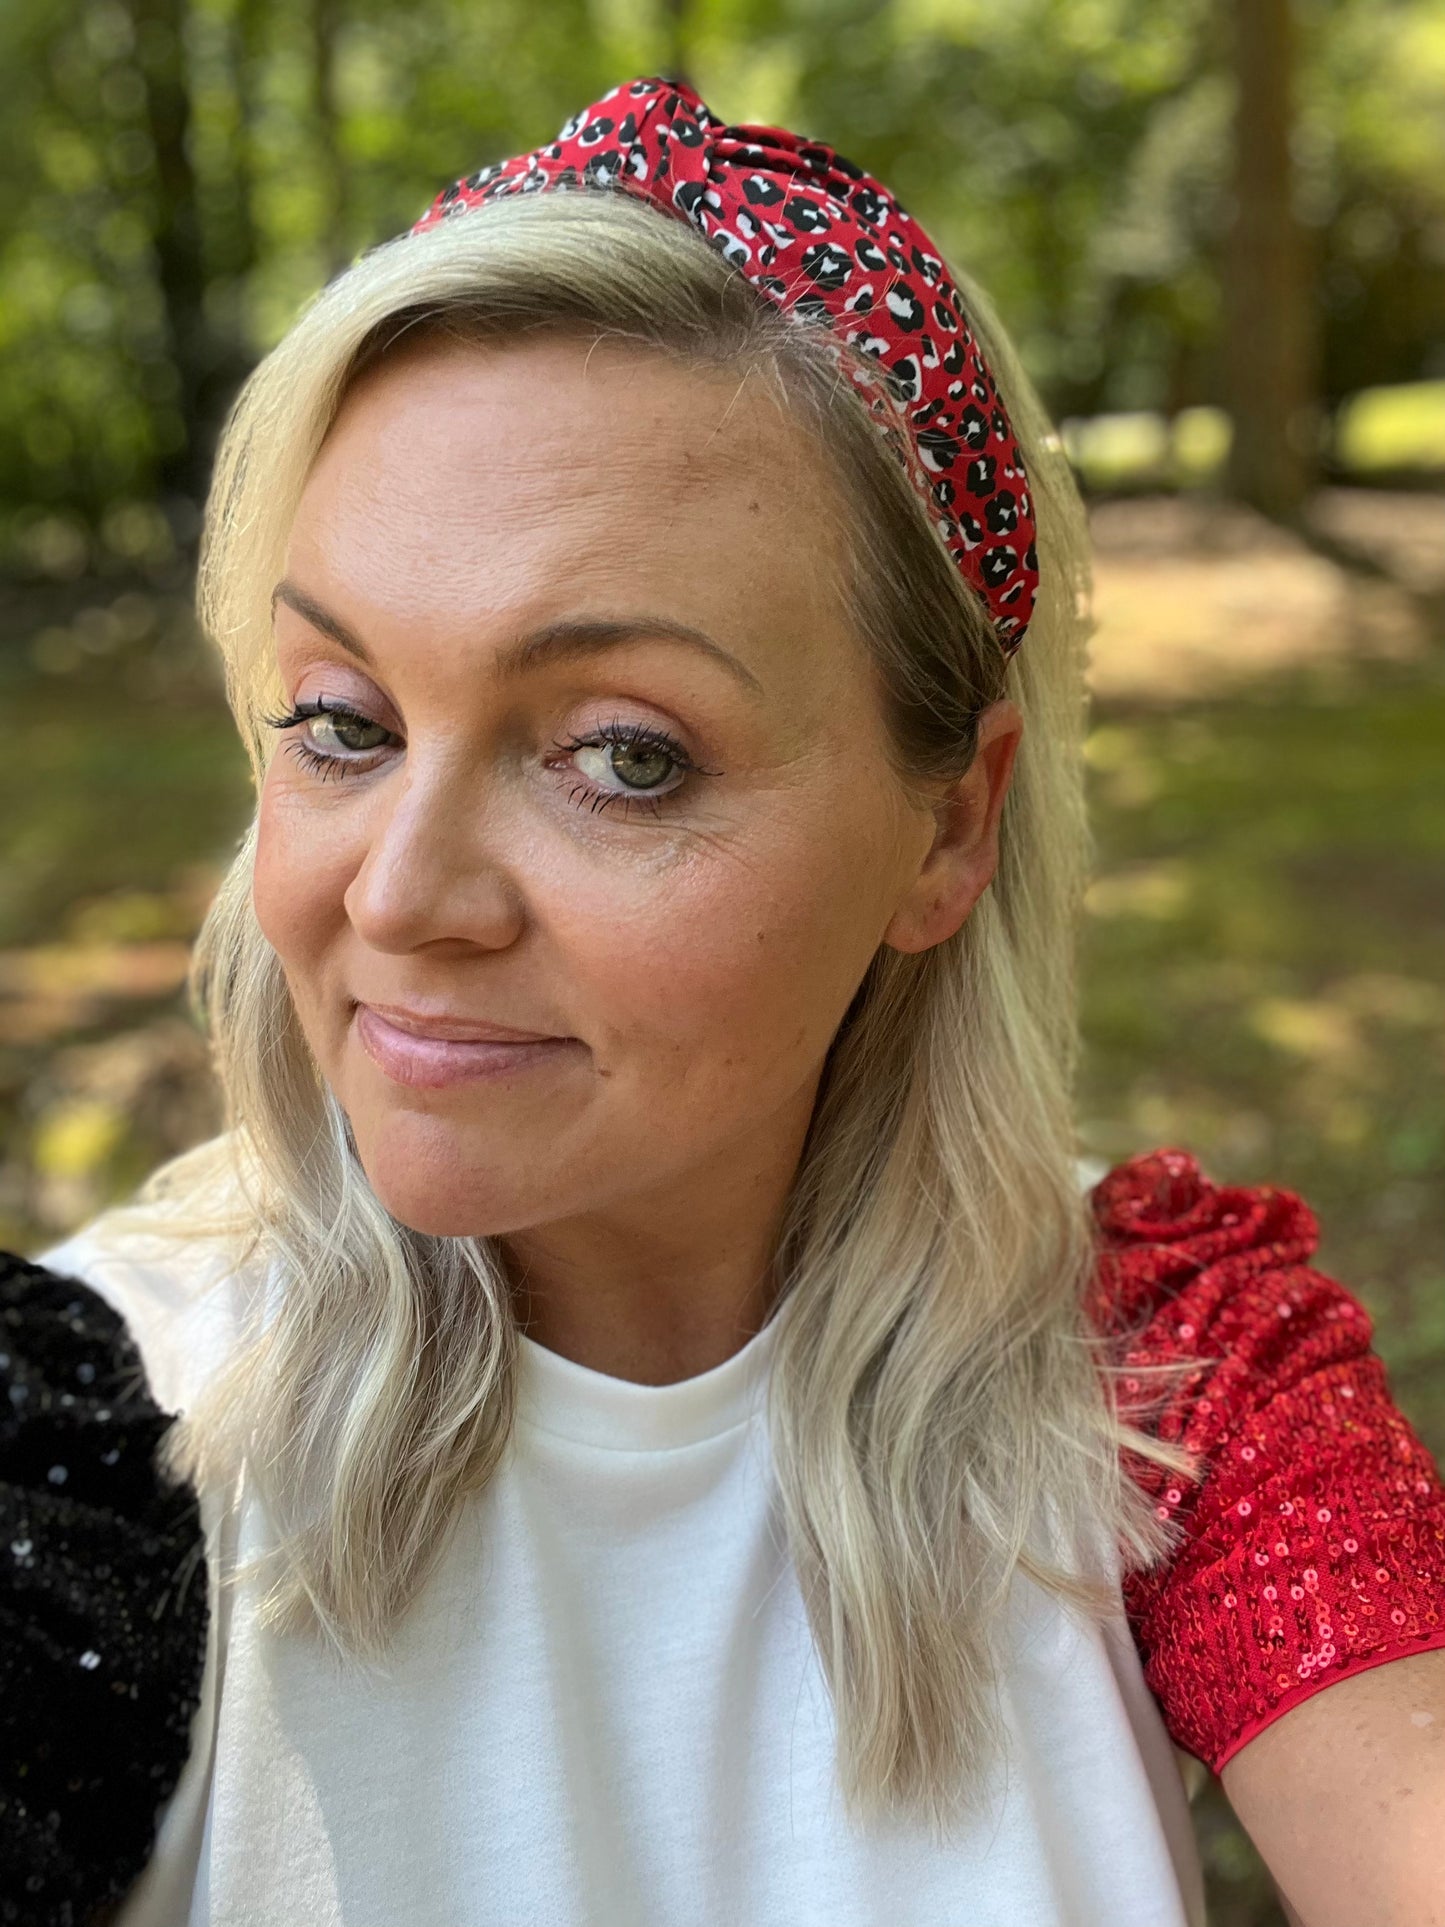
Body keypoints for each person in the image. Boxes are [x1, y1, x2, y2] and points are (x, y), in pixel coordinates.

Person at [2, 74, 1443, 1927]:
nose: (399, 896)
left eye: (622, 756)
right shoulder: (107, 1430)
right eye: (342, 723)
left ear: (950, 825)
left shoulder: (1157, 1379)